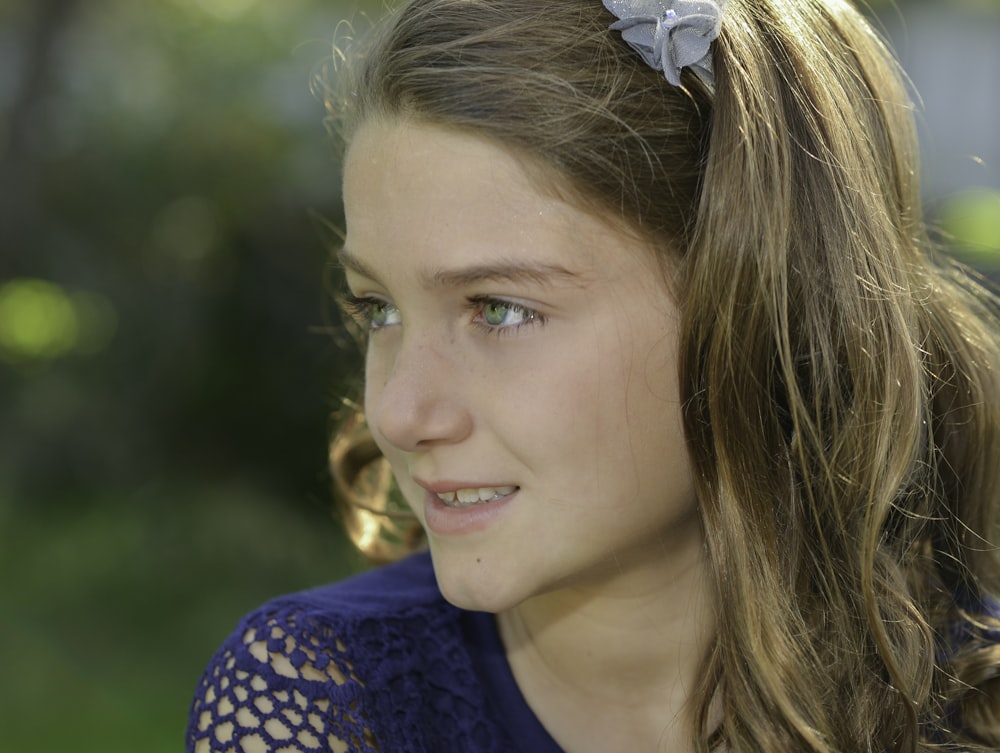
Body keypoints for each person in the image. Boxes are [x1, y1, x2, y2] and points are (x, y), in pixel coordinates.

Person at [186, 0, 1000, 750]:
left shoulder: (973, 706)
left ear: (751, 306)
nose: (398, 413)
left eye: (498, 309)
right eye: (378, 309)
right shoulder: (320, 703)